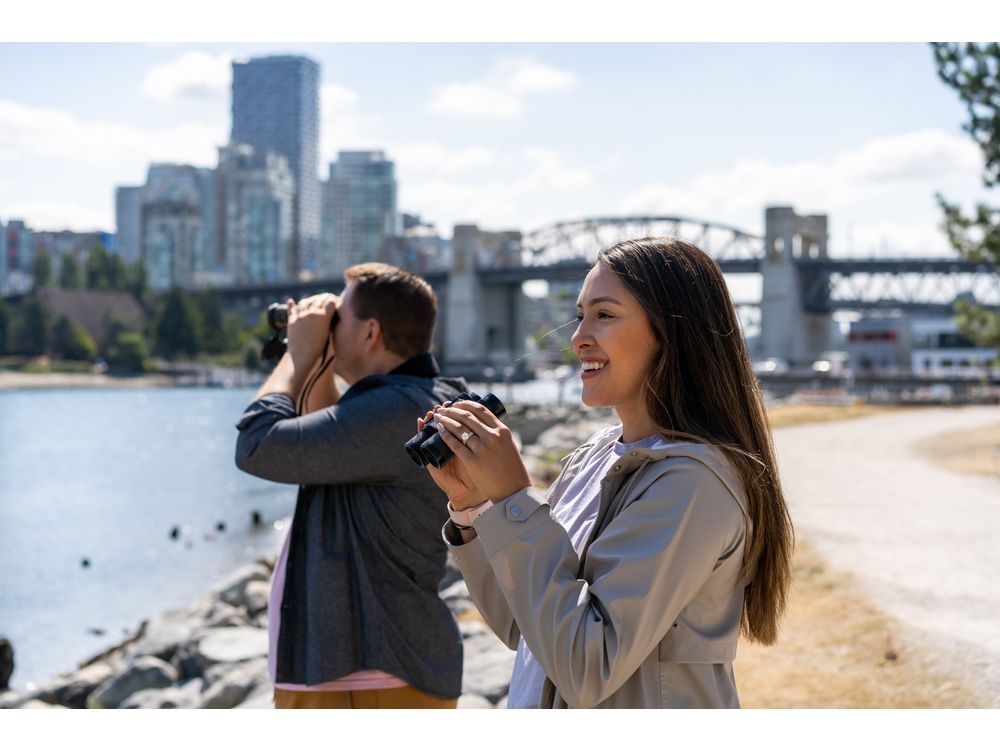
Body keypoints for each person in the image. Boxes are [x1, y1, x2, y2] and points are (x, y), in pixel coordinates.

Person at [422, 237, 794, 709]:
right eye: (580, 315)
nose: (578, 337)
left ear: (671, 333)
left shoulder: (692, 483)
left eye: (605, 314)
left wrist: (515, 496)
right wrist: (475, 507)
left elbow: (586, 664)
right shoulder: (592, 457)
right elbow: (527, 626)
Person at [235, 262, 466, 709]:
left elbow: (256, 445)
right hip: (370, 672)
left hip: (365, 678)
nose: (326, 326)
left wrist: (295, 358)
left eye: (338, 318)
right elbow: (327, 447)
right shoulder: (413, 398)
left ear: (370, 334)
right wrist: (319, 360)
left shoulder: (393, 411)